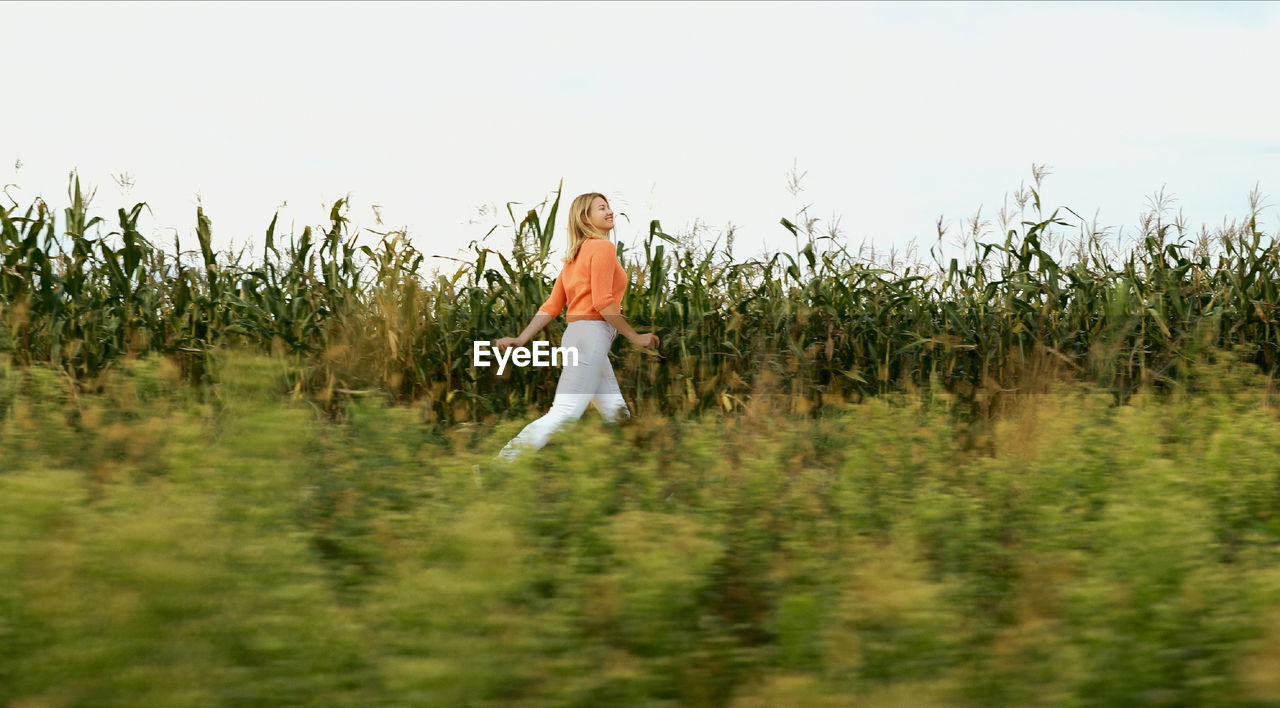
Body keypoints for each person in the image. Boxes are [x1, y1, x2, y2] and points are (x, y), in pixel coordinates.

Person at [494, 192, 659, 461]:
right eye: (602, 208)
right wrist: (635, 337)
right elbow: (604, 302)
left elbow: (551, 306)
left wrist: (521, 339)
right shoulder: (603, 248)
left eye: (609, 207)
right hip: (591, 337)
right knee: (564, 412)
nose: (610, 212)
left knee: (618, 415)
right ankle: (496, 469)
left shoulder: (574, 257)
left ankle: (648, 481)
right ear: (585, 218)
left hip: (579, 337)